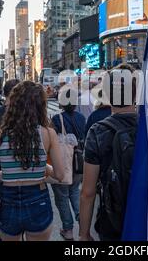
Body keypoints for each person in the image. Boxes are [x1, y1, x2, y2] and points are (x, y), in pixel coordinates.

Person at [0, 81, 64, 241]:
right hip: (38, 199)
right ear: (41, 106)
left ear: (13, 104)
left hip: (7, 202)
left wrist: (4, 172)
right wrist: (44, 168)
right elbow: (60, 175)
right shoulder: (48, 134)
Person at [80, 64, 138, 241]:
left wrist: (83, 234)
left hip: (112, 219)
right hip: (147, 216)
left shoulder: (98, 131)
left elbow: (88, 192)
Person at [51, 89, 86, 241]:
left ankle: (68, 229)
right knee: (75, 192)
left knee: (62, 196)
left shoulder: (57, 118)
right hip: (78, 161)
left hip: (63, 162)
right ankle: (83, 224)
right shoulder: (81, 117)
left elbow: (52, 141)